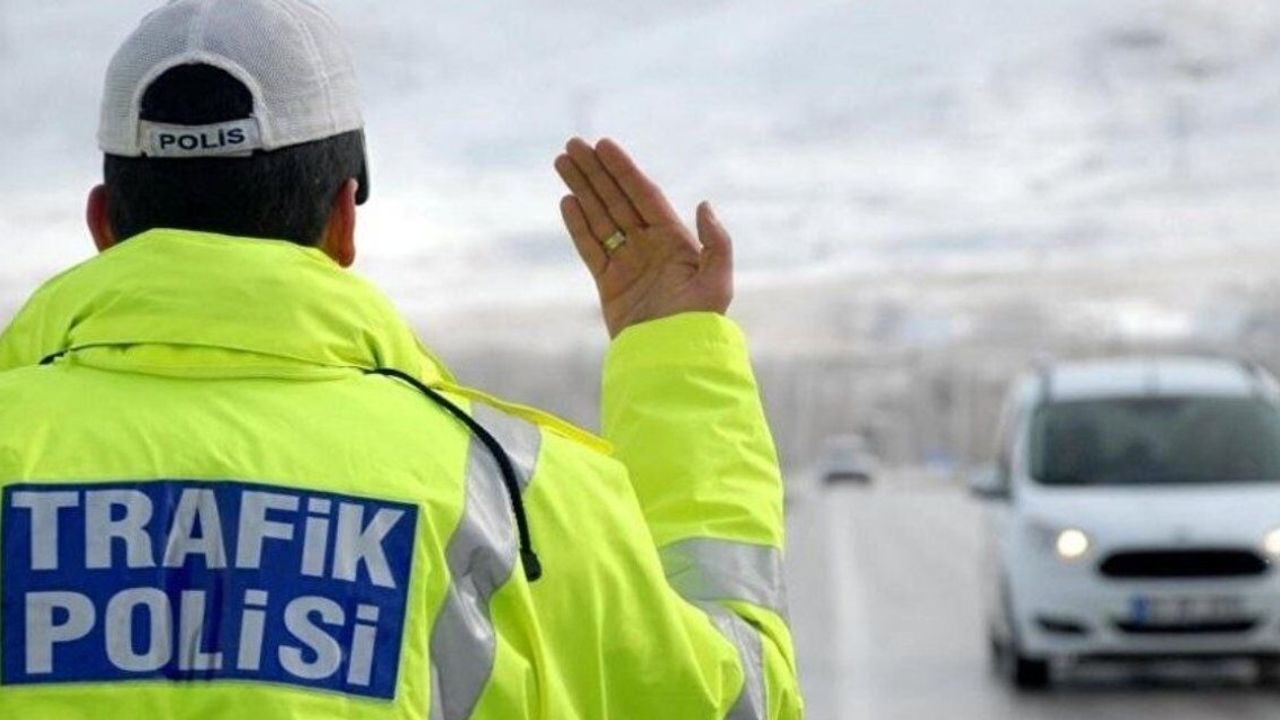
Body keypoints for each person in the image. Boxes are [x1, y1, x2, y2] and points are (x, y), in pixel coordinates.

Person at [0, 1, 802, 719]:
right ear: (343, 219)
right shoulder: (509, 496)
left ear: (103, 223)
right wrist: (673, 351)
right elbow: (736, 704)